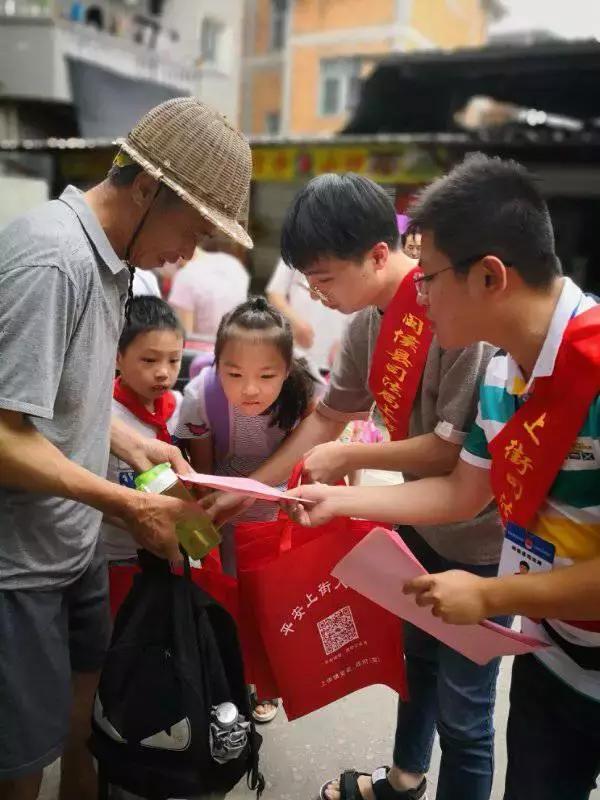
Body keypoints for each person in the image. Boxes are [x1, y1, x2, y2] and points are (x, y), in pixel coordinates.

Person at [287, 154, 600, 800]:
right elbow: (464, 490)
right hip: (557, 655)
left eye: (427, 278)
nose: (417, 296)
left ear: (490, 278)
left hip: (546, 625)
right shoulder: (501, 374)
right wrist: (341, 503)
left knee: (466, 721)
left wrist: (489, 598)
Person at [205, 173, 504, 800]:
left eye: (325, 278)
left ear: (377, 254)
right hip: (419, 522)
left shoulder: (452, 312)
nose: (316, 294)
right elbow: (327, 415)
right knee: (415, 664)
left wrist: (342, 459)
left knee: (466, 712)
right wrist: (250, 489)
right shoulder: (372, 321)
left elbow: (449, 450)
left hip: (482, 541)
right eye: (308, 281)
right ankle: (404, 779)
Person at [0, 97, 253, 800]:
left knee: (89, 725)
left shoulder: (114, 264)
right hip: (16, 567)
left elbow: (54, 400)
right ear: (146, 188)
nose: (191, 252)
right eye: (193, 228)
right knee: (20, 761)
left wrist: (134, 442)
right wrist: (127, 507)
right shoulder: (53, 260)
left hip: (70, 544)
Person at [174, 296, 316, 724]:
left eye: (266, 375)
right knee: (228, 601)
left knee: (271, 604)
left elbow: (312, 456)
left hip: (277, 520)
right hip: (229, 519)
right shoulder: (203, 397)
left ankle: (266, 684)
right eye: (234, 373)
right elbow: (203, 471)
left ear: (287, 370)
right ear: (216, 365)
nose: (249, 389)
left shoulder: (304, 397)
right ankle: (233, 680)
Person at [101, 295, 184, 572]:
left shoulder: (181, 409)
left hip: (174, 551)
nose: (163, 373)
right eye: (149, 360)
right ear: (117, 356)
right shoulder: (103, 414)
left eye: (174, 360)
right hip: (114, 555)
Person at [266, 256, 350, 375]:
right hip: (298, 356)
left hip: (341, 361)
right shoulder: (296, 244)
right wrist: (296, 323)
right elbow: (275, 293)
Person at [169, 238, 250, 340]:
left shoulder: (185, 276)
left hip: (202, 349)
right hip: (232, 344)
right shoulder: (234, 265)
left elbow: (184, 337)